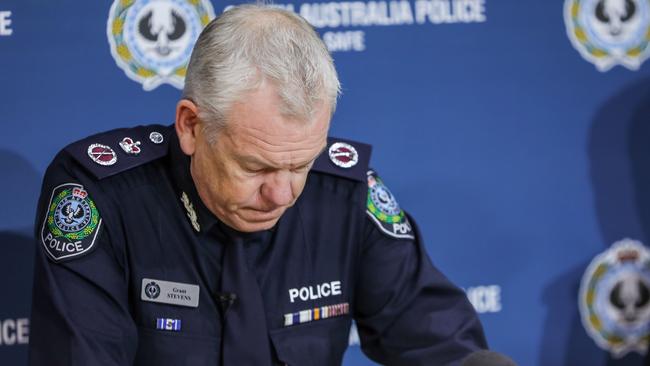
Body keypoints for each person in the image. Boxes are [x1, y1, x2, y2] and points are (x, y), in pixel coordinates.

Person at [29, 4, 487, 365]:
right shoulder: (101, 195)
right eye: (256, 168)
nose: (283, 195)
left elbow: (438, 340)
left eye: (301, 164)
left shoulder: (344, 193)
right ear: (190, 126)